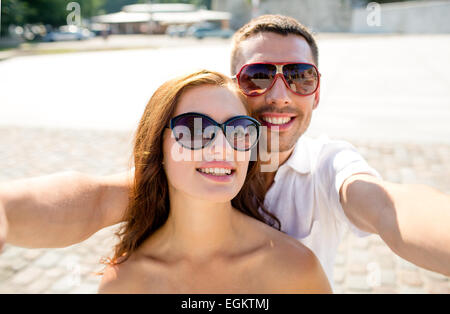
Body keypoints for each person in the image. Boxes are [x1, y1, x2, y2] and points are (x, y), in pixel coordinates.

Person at [0, 15, 449, 287]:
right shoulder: (200, 158)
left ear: (317, 93)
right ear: (233, 86)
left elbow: (391, 208)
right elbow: (97, 199)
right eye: (258, 76)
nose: (280, 94)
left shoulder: (328, 166)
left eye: (299, 76)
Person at [96, 70, 331, 293]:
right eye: (195, 129)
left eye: (238, 130)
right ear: (158, 146)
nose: (222, 148)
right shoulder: (124, 283)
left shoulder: (295, 269)